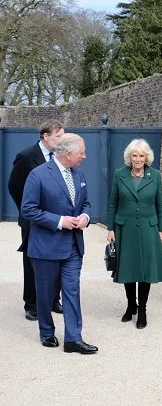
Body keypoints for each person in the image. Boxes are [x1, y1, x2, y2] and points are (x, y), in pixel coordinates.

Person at [21, 133, 97, 354]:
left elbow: (86, 203)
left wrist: (86, 216)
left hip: (73, 246)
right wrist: (60, 221)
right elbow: (28, 209)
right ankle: (46, 332)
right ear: (67, 154)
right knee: (44, 294)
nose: (85, 156)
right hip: (46, 247)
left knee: (72, 290)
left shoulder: (79, 174)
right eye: (81, 152)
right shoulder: (38, 175)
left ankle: (73, 338)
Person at [107, 139, 162, 329]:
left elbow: (160, 204)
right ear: (129, 157)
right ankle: (130, 305)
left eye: (141, 155)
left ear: (147, 158)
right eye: (134, 155)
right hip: (124, 228)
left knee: (144, 271)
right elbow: (113, 203)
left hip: (148, 228)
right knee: (128, 268)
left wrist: (161, 229)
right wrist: (110, 228)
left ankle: (142, 309)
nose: (138, 159)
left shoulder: (155, 175)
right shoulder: (120, 175)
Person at [8, 120, 64, 321]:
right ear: (45, 136)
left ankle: (52, 300)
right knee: (33, 261)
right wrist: (27, 211)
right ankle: (31, 304)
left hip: (57, 218)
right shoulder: (26, 156)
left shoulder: (61, 155)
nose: (62, 140)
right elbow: (14, 186)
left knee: (57, 258)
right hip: (33, 220)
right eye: (58, 136)